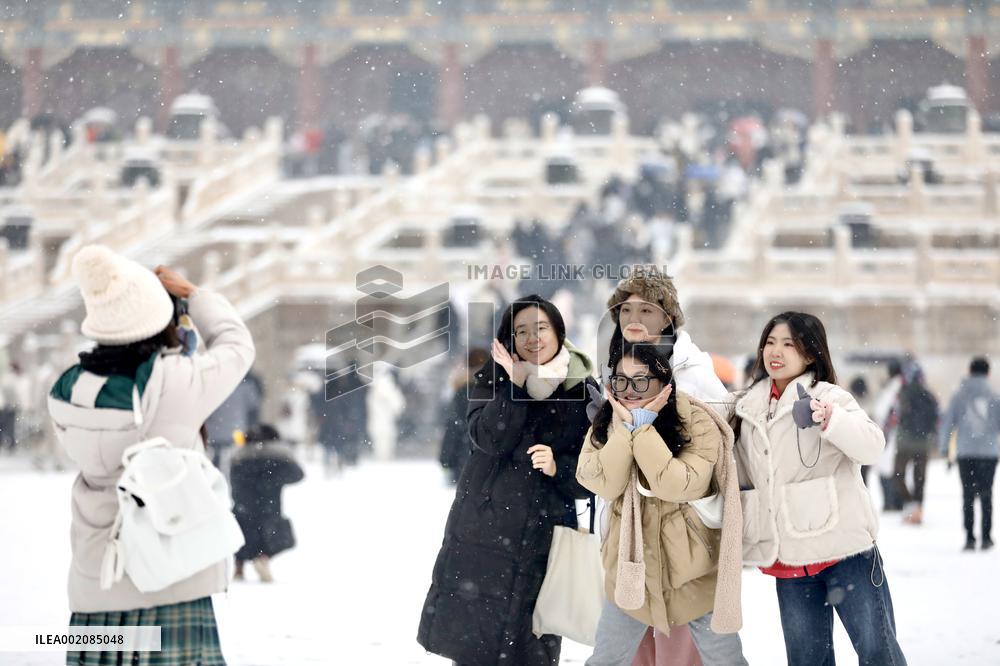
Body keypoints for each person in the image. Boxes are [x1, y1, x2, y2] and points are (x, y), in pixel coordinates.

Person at [48, 245, 255, 666]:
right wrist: (193, 296)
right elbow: (236, 344)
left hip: (97, 585)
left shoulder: (68, 391)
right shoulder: (176, 381)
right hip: (170, 577)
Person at [417, 295, 598, 665]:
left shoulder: (582, 390)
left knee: (534, 644)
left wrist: (558, 467)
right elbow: (489, 438)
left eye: (541, 328)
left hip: (545, 534)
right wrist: (515, 388)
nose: (533, 338)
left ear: (559, 332)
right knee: (475, 644)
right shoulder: (491, 378)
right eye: (521, 331)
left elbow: (595, 471)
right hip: (483, 532)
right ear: (509, 338)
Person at [730, 312, 906, 666]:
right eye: (770, 342)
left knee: (878, 654)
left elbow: (873, 446)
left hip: (846, 552)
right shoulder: (746, 405)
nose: (775, 351)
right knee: (808, 661)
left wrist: (830, 419)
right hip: (791, 559)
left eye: (788, 344)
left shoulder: (830, 396)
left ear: (810, 354)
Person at [577, 342, 746, 666]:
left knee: (725, 661)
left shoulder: (696, 420)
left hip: (692, 569)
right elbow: (601, 482)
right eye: (620, 381)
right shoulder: (607, 422)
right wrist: (625, 431)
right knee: (605, 660)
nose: (629, 391)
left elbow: (678, 484)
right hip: (630, 570)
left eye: (640, 381)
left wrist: (642, 429)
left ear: (664, 383)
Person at [599, 270, 729, 666]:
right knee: (629, 643)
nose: (633, 316)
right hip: (628, 524)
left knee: (681, 645)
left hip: (681, 526)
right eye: (626, 309)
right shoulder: (614, 366)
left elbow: (716, 450)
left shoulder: (693, 372)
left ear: (669, 317)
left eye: (647, 308)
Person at [938, 357, 999, 551]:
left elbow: (947, 423)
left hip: (966, 453)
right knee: (987, 494)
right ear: (988, 373)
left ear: (969, 371)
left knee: (968, 495)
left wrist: (944, 448)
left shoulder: (959, 396)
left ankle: (970, 537)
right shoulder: (994, 396)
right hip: (989, 453)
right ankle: (987, 537)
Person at [231, 423, 304, 582]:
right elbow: (298, 475)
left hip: (243, 507)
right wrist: (274, 477)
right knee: (273, 536)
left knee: (241, 536)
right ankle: (263, 558)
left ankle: (239, 567)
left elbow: (233, 481)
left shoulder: (239, 457)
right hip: (270, 507)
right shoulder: (277, 458)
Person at [894, 363, 939, 525]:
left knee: (898, 475)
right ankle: (917, 509)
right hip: (923, 443)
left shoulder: (903, 393)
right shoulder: (929, 395)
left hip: (905, 442)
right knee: (920, 478)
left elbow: (896, 416)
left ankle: (911, 504)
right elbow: (936, 419)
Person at [439, 348, 490, 485]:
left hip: (464, 459)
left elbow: (453, 426)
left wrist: (446, 459)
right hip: (494, 465)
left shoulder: (463, 390)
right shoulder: (499, 390)